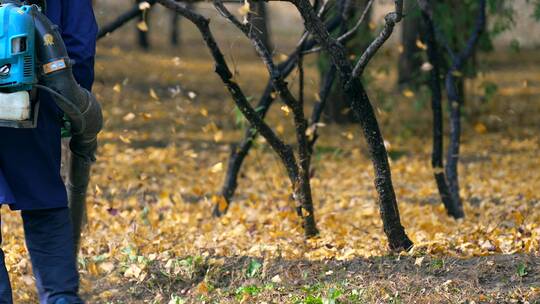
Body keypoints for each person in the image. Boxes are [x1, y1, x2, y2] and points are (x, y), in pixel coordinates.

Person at [0, 0, 98, 303]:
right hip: (35, 99)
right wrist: (69, 102)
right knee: (44, 202)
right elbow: (80, 46)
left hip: (31, 91)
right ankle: (61, 297)